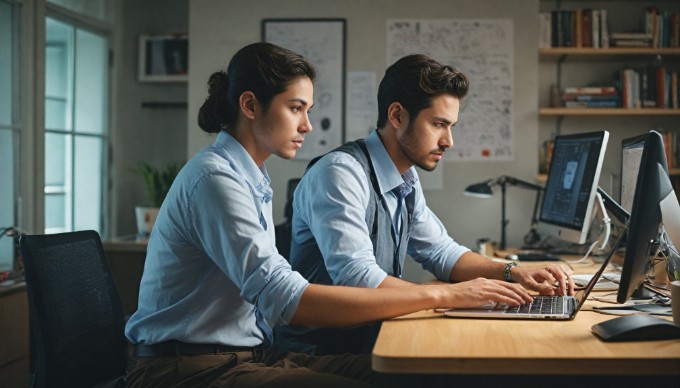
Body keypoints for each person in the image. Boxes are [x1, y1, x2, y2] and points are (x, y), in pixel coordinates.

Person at [123, 43, 539, 387]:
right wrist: (444, 296)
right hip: (188, 370)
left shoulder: (251, 178)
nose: (307, 125)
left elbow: (443, 251)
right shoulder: (217, 180)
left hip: (248, 354)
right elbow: (285, 297)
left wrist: (508, 272)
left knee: (426, 374)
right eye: (296, 108)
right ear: (250, 105)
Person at [274, 54, 575, 356]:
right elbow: (357, 279)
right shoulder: (339, 173)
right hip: (320, 354)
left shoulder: (405, 176)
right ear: (397, 115)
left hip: (370, 341)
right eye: (439, 124)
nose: (448, 141)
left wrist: (513, 271)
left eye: (451, 126)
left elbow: (441, 252)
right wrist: (450, 294)